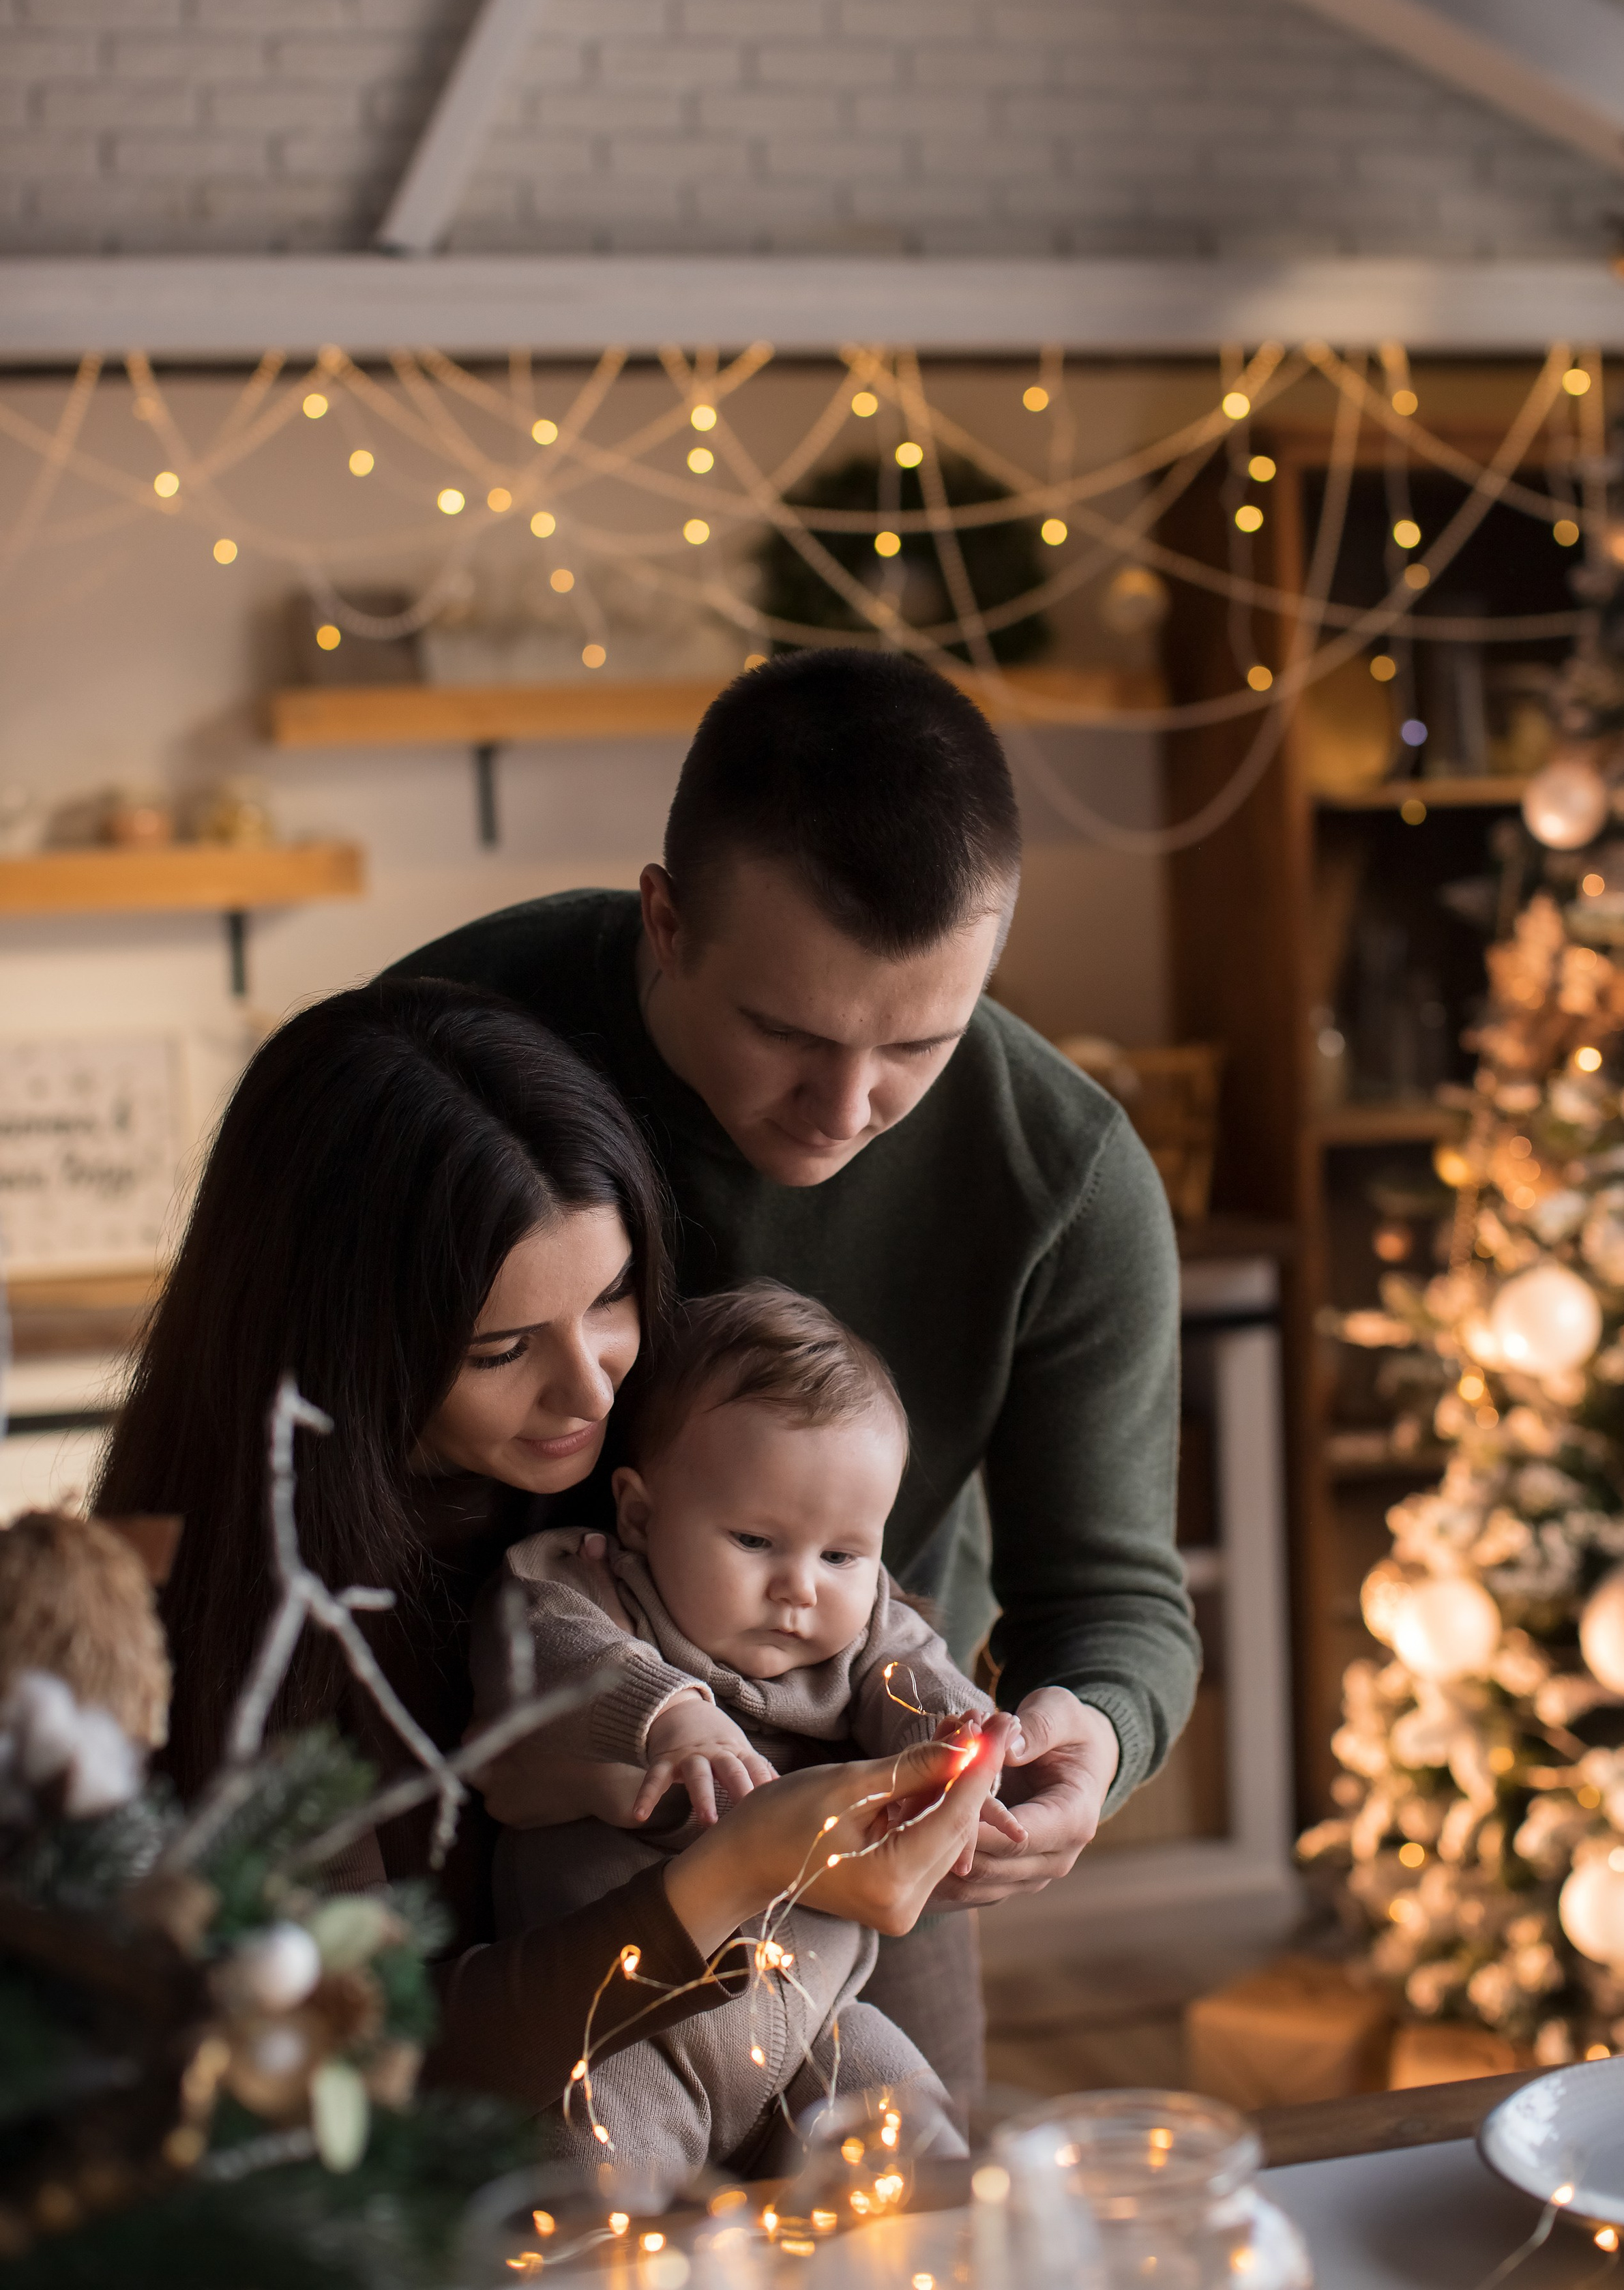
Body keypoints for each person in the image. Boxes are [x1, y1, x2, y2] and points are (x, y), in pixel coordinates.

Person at [390, 649, 1199, 2091]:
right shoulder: (446, 1050)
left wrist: (1088, 1734)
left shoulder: (1062, 1177)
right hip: (473, 1798)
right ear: (665, 919)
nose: (844, 1108)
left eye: (918, 1045)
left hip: (862, 1830)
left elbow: (1115, 1598)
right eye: (785, 1032)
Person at [93, 980, 1005, 2115]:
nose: (591, 1388)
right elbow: (372, 2065)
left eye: (614, 1296)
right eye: (501, 1349)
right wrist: (730, 1872)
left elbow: (876, 1678)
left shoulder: (691, 1453)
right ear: (344, 1347)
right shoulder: (245, 1630)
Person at [473, 1279, 1000, 2181]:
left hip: (818, 2033)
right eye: (755, 1542)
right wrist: (672, 1716)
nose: (802, 1587)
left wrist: (968, 1740)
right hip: (630, 2037)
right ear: (640, 1514)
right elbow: (549, 1647)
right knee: (601, 2217)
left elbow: (915, 1677)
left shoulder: (863, 1630)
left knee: (926, 2169)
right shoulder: (593, 1585)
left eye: (842, 1554)